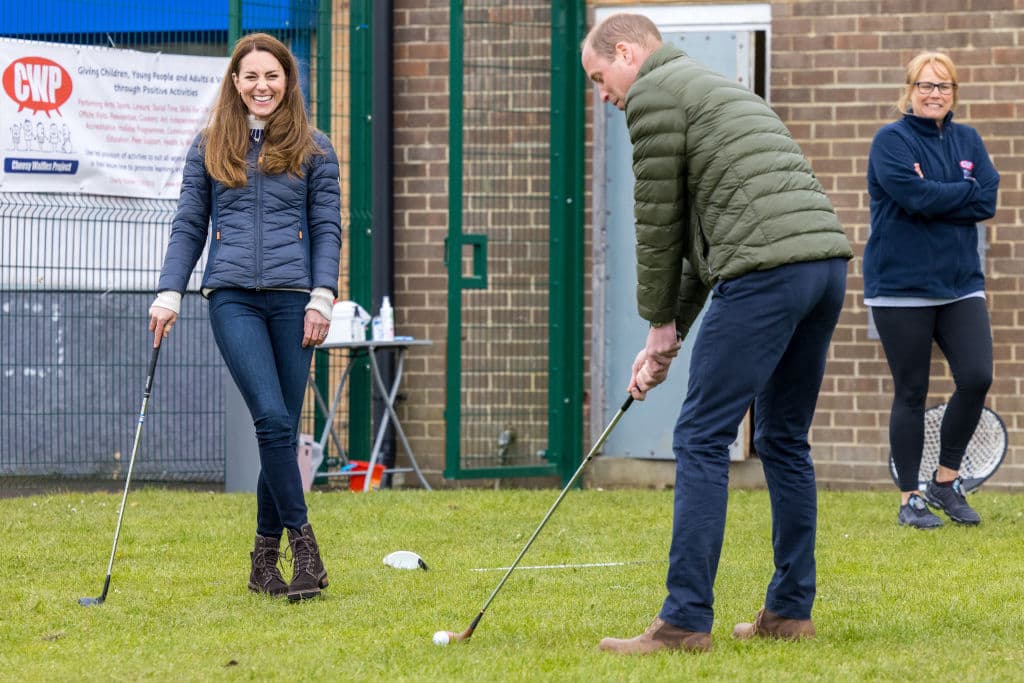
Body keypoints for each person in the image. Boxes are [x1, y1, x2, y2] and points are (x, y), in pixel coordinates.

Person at [580, 14, 853, 654]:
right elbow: (708, 242)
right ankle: (790, 612)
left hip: (767, 273)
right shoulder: (711, 86)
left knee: (701, 435)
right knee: (784, 437)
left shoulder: (651, 94)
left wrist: (655, 322)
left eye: (599, 78)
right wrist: (665, 340)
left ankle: (682, 623)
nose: (603, 94)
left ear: (626, 52)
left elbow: (658, 224)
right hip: (823, 270)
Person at [149, 33, 341, 600]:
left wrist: (322, 297)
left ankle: (264, 562)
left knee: (279, 428)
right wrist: (169, 293)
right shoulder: (210, 145)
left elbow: (328, 228)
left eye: (272, 76)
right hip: (230, 296)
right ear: (235, 82)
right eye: (251, 76)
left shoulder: (316, 148)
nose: (262, 86)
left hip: (294, 301)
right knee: (273, 421)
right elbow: (188, 225)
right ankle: (306, 548)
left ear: (288, 82)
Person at [865, 52, 999, 530]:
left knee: (977, 376)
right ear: (909, 89)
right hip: (901, 287)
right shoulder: (891, 141)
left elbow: (989, 197)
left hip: (961, 285)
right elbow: (913, 197)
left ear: (954, 94)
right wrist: (959, 190)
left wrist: (941, 193)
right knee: (912, 391)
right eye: (925, 85)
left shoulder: (968, 138)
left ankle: (946, 481)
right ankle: (911, 498)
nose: (934, 94)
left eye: (943, 87)